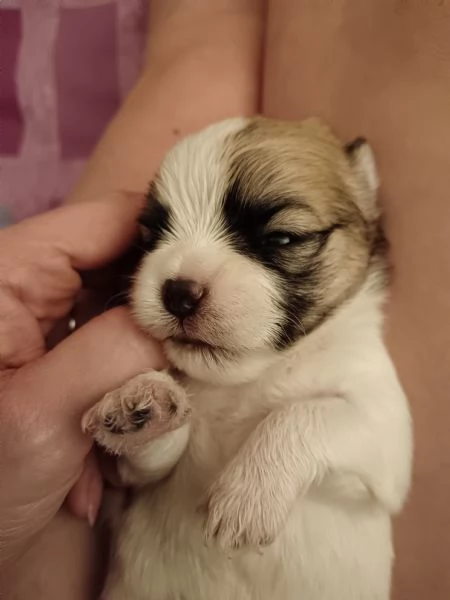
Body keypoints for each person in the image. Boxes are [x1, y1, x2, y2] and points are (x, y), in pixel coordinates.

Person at [1, 1, 449, 598]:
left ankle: (206, 32)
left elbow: (385, 468)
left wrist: (288, 447)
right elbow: (145, 472)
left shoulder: (350, 360)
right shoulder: (169, 358)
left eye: (283, 237)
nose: (182, 282)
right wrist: (151, 428)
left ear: (365, 206)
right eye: (156, 235)